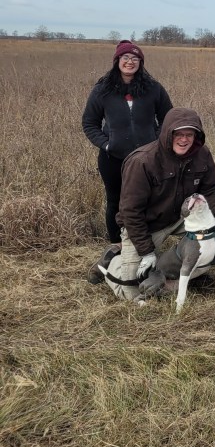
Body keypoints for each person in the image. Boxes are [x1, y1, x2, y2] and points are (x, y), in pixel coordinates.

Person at [114, 108, 215, 302]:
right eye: (178, 134)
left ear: (197, 136)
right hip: (145, 225)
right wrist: (146, 252)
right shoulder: (142, 161)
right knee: (132, 294)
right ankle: (112, 260)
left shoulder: (202, 154)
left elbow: (210, 189)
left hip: (181, 218)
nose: (184, 140)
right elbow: (130, 212)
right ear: (167, 133)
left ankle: (181, 273)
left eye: (189, 135)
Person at [82, 40, 173, 273]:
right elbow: (90, 123)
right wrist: (107, 144)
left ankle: (145, 245)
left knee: (146, 200)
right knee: (116, 201)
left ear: (141, 63)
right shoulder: (103, 89)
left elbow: (169, 118)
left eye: (135, 58)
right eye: (125, 58)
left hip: (147, 160)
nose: (130, 62)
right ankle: (118, 246)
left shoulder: (153, 88)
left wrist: (157, 143)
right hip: (113, 159)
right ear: (117, 61)